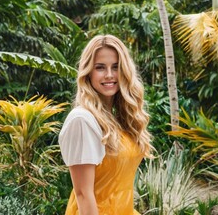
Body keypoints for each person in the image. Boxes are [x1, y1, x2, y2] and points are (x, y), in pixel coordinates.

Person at [59, 34, 152, 215]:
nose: (109, 75)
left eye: (116, 67)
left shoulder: (117, 120)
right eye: (100, 67)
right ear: (88, 72)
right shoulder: (82, 120)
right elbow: (83, 194)